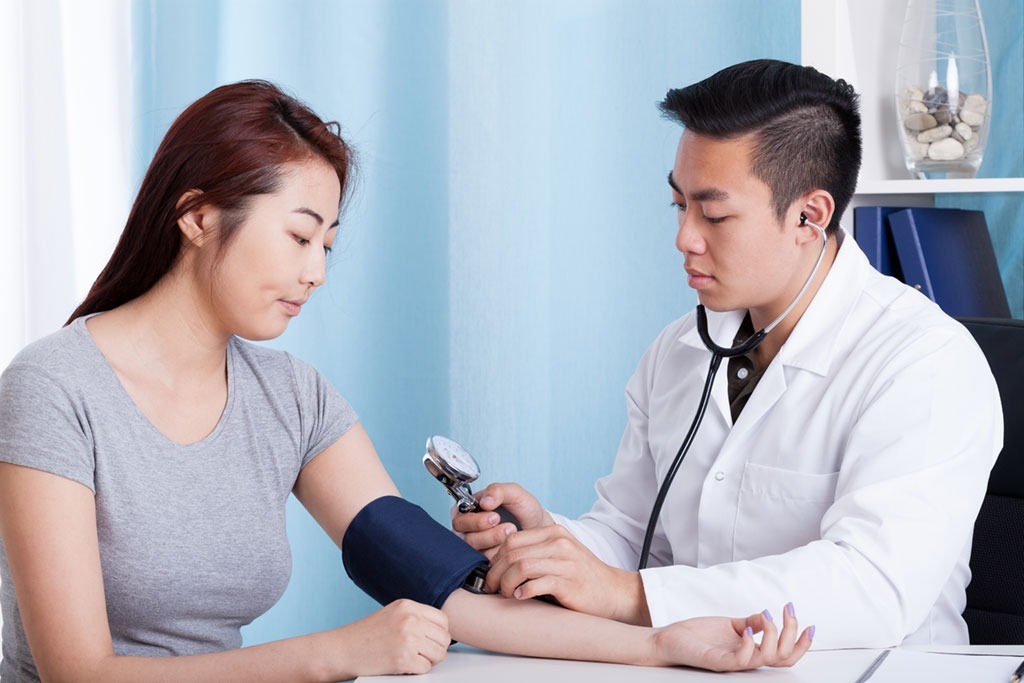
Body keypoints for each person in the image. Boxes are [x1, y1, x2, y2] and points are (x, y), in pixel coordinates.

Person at [0, 80, 812, 682]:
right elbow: (81, 670)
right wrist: (334, 652)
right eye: (298, 236)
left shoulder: (293, 397)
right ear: (198, 216)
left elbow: (445, 595)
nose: (315, 272)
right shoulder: (56, 388)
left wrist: (663, 642)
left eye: (329, 244)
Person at [453, 59, 1003, 649]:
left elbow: (873, 588)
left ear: (808, 216)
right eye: (679, 206)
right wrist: (551, 543)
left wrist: (627, 594)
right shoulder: (677, 350)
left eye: (714, 214)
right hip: (694, 664)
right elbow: (638, 538)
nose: (685, 238)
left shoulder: (925, 363)